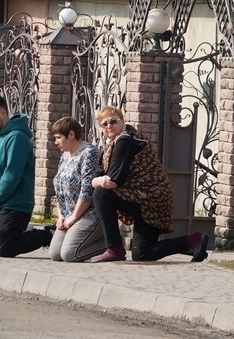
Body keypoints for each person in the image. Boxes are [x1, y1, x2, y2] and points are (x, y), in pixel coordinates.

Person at [89, 106, 208, 263]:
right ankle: (193, 240)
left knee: (101, 194)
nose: (109, 126)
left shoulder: (126, 140)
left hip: (152, 197)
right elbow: (99, 173)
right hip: (142, 197)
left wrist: (98, 181)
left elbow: (113, 180)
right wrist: (97, 180)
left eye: (113, 121)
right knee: (142, 254)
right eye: (105, 124)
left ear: (122, 121)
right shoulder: (113, 144)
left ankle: (114, 248)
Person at [0, 94, 50, 258]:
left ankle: (48, 235)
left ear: (2, 113)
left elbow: (11, 175)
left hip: (16, 203)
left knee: (5, 248)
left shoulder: (17, 137)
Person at [48, 116, 107, 262]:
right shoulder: (65, 156)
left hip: (89, 214)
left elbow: (87, 190)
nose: (56, 142)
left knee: (70, 254)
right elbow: (60, 189)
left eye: (58, 137)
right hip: (68, 214)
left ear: (72, 135)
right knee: (55, 254)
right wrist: (61, 217)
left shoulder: (89, 153)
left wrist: (73, 218)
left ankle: (110, 244)